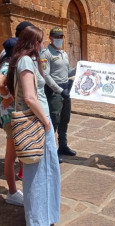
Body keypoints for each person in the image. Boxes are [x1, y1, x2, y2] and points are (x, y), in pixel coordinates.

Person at [7, 25, 60, 225]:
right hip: (37, 124)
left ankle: (42, 216)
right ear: (32, 43)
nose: (42, 44)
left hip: (37, 122)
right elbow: (30, 96)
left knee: (43, 172)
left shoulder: (22, 60)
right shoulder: (27, 61)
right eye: (40, 41)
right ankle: (39, 219)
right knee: (40, 174)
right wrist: (47, 123)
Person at [0, 21, 34, 207]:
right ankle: (12, 192)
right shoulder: (9, 65)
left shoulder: (7, 60)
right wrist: (8, 95)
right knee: (10, 158)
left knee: (13, 156)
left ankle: (16, 189)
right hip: (11, 117)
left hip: (10, 115)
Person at [40, 27, 76, 160]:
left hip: (66, 90)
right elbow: (46, 75)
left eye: (61, 36)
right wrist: (60, 90)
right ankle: (49, 151)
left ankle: (63, 146)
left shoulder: (63, 53)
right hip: (54, 92)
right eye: (56, 36)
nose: (59, 38)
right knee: (54, 120)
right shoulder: (46, 54)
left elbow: (68, 72)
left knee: (65, 120)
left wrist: (80, 68)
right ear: (50, 38)